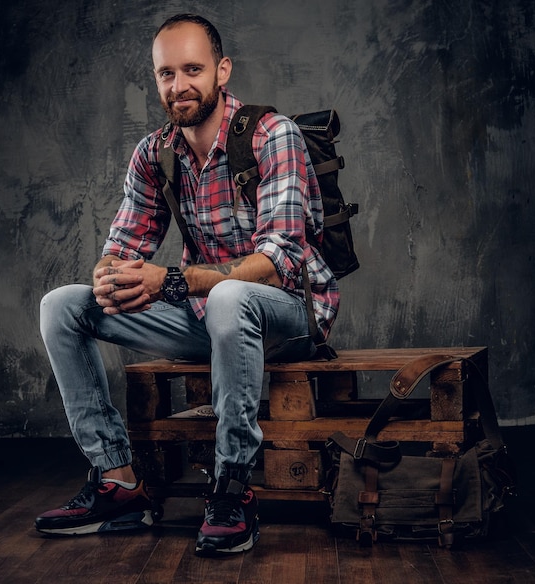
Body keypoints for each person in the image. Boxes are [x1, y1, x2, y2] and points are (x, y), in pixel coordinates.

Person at [35, 13, 339, 556]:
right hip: (205, 314)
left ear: (222, 71)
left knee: (229, 295)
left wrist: (171, 281)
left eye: (193, 69)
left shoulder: (274, 134)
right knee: (62, 306)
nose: (179, 86)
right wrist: (111, 278)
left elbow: (277, 259)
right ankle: (119, 482)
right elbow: (123, 243)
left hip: (290, 314)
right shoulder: (156, 154)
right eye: (166, 74)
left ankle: (231, 489)